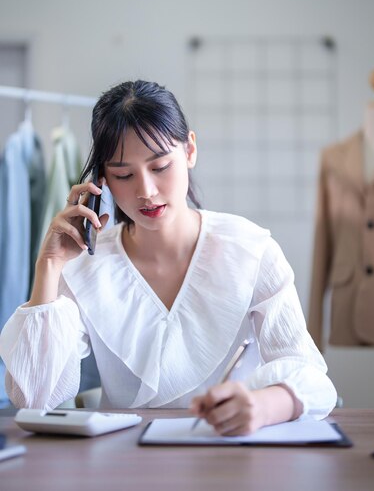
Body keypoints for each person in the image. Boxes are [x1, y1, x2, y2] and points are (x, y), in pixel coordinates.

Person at [0, 80, 337, 436]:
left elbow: (312, 378)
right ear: (102, 181)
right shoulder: (86, 267)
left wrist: (263, 406)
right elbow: (34, 398)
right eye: (123, 174)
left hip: (231, 455)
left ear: (190, 150)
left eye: (160, 166)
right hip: (123, 464)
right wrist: (49, 265)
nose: (145, 191)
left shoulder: (251, 250)